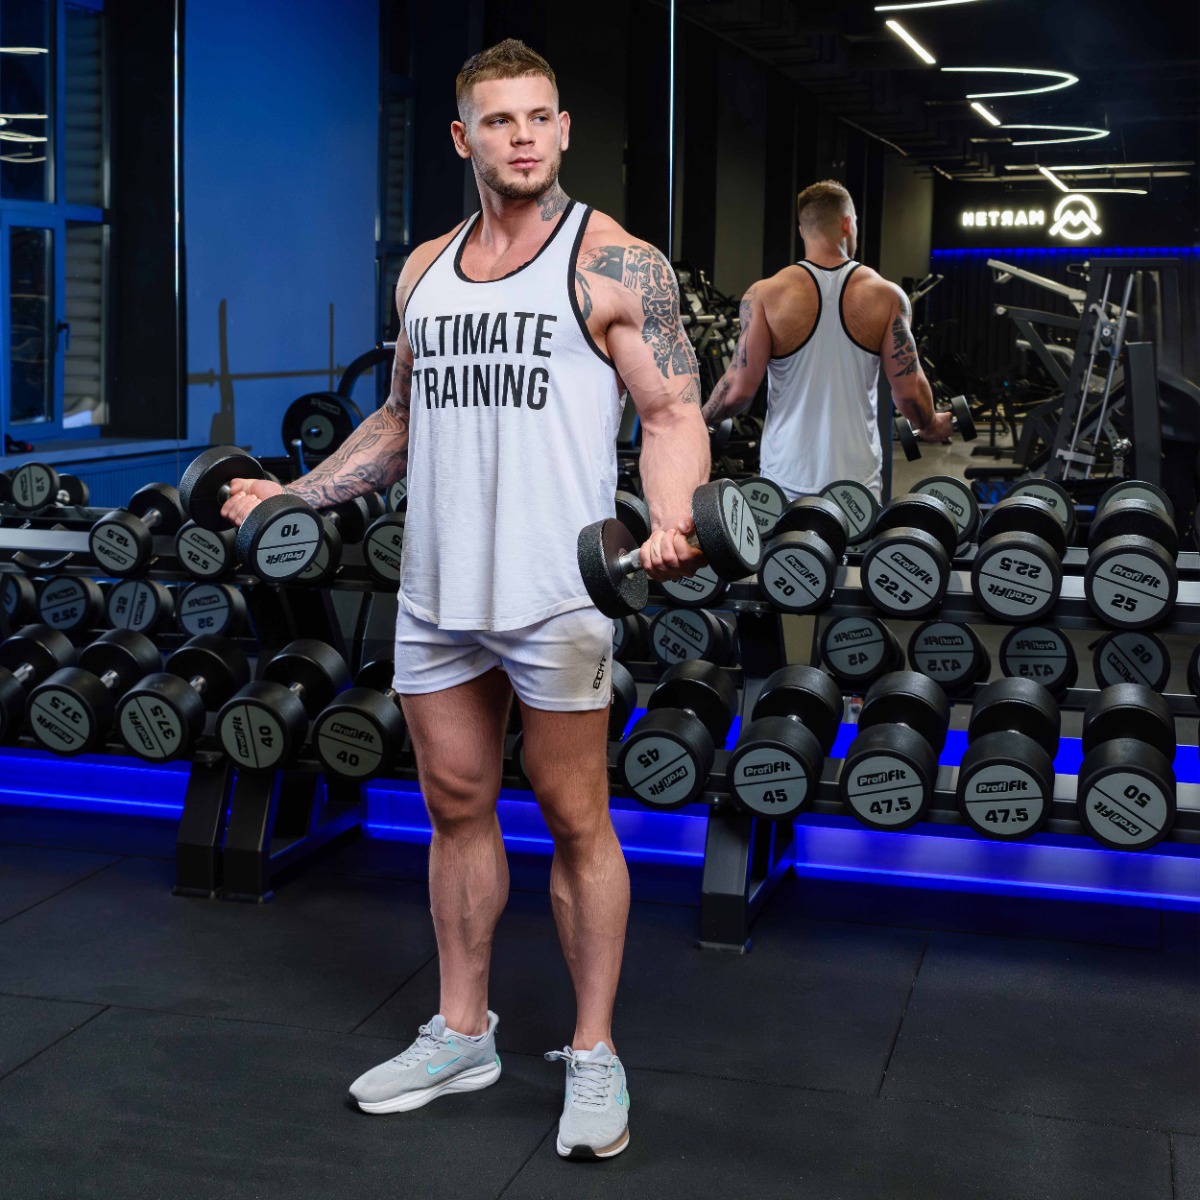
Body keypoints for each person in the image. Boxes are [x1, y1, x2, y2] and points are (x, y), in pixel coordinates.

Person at [220, 39, 709, 1162]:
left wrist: (673, 519)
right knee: (453, 808)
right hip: (438, 591)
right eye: (499, 120)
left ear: (564, 130)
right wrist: (296, 493)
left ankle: (594, 1050)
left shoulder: (614, 264)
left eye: (539, 117)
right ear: (462, 138)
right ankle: (462, 1031)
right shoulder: (425, 270)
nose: (522, 137)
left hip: (558, 589)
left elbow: (672, 413)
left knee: (577, 819)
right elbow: (400, 420)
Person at [700, 179, 951, 501]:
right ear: (847, 224)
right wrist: (930, 424)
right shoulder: (887, 296)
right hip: (856, 488)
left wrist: (699, 420)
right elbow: (910, 392)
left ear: (802, 229)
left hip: (783, 481)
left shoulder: (765, 294)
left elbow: (737, 391)